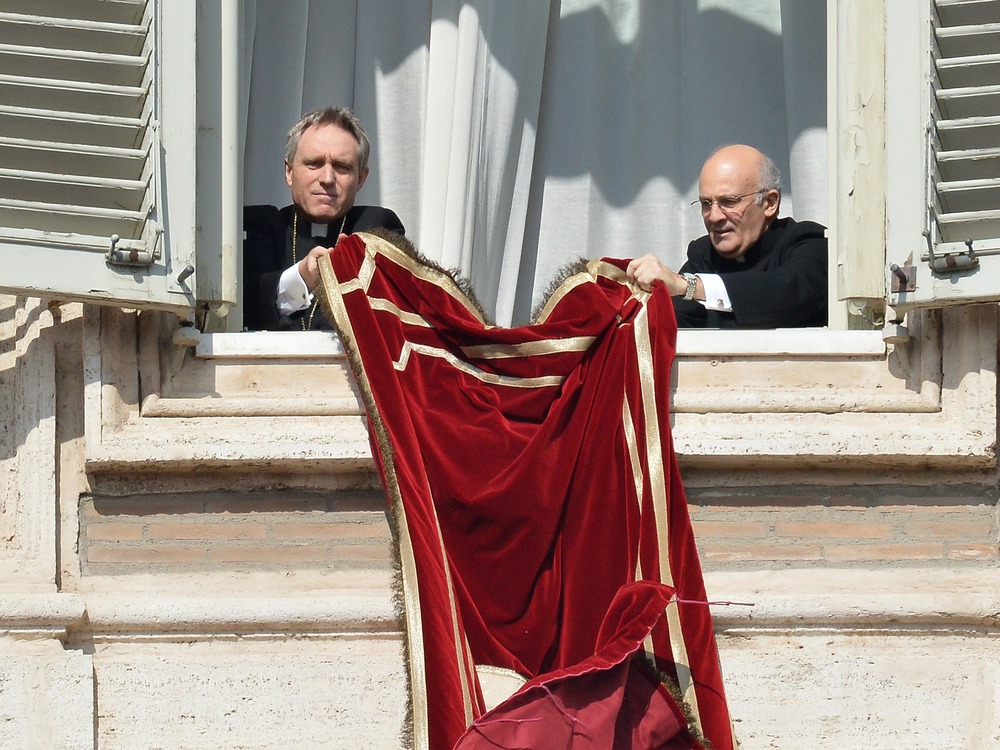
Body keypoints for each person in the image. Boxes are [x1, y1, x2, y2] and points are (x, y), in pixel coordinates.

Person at [626, 144, 827, 328]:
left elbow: (786, 294)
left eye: (729, 202)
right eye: (706, 203)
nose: (714, 216)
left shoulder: (808, 243)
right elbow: (674, 321)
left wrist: (688, 286)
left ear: (770, 203)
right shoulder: (704, 255)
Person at [242, 107, 405, 331]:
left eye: (342, 167)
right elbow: (244, 305)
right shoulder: (260, 226)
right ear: (289, 172)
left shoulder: (377, 228)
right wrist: (302, 277)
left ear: (360, 179)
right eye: (314, 164)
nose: (327, 178)